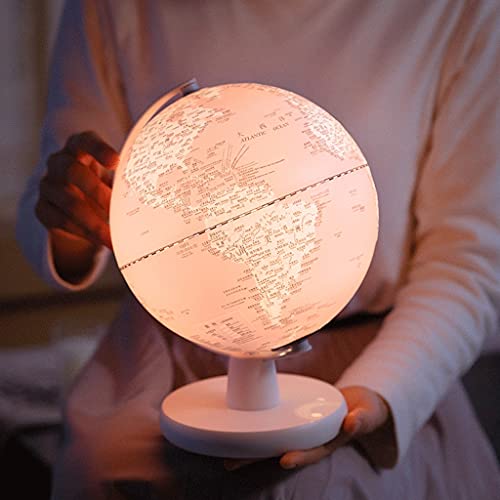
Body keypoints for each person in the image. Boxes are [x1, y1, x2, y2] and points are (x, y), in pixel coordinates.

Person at [17, 0, 500, 498]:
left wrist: (379, 392)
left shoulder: (458, 11)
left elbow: (469, 256)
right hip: (166, 354)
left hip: (384, 354)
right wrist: (71, 218)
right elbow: (57, 192)